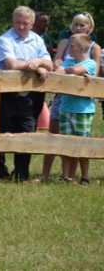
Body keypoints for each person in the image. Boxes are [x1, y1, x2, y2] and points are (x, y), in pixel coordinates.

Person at [0, 6, 52, 182]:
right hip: (3, 94)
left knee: (27, 132)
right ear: (13, 22)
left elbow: (50, 64)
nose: (22, 26)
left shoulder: (37, 40)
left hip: (28, 96)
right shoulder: (4, 40)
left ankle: (21, 175)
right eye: (18, 22)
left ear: (32, 24)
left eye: (25, 23)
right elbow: (12, 64)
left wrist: (39, 61)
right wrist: (37, 67)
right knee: (0, 132)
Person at [37, 12, 100, 182]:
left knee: (80, 140)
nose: (78, 27)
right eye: (75, 24)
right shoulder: (65, 43)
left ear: (89, 27)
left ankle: (78, 175)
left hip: (82, 102)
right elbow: (58, 64)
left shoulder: (93, 48)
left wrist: (80, 72)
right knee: (57, 134)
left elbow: (92, 69)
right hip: (62, 98)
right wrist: (65, 69)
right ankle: (49, 173)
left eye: (82, 25)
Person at [54, 33, 97, 185]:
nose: (69, 48)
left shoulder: (91, 63)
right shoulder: (69, 61)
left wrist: (77, 71)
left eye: (72, 45)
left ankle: (84, 176)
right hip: (65, 108)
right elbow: (58, 72)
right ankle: (66, 176)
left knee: (82, 144)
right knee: (66, 143)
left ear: (82, 48)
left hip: (82, 110)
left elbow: (75, 71)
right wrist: (73, 71)